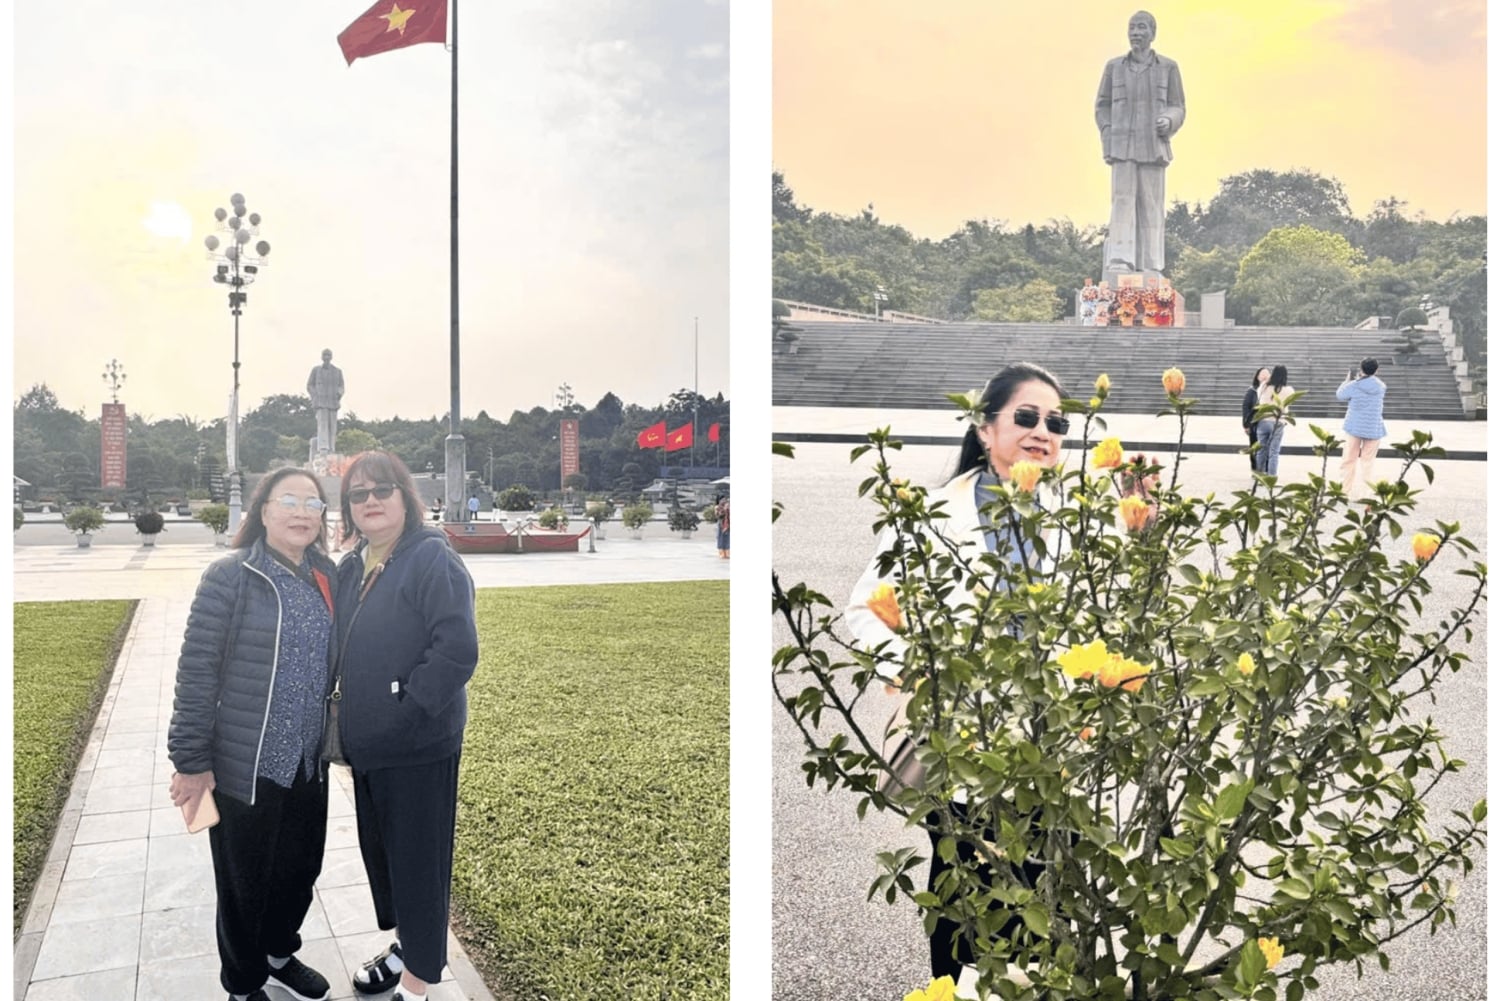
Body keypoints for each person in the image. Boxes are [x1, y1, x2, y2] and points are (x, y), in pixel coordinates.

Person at [845, 362, 1069, 981]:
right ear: (984, 426)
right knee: (962, 890)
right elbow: (863, 610)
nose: (1041, 431)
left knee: (1043, 892)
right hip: (962, 738)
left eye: (1056, 422)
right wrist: (916, 669)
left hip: (1051, 741)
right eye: (1025, 417)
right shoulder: (933, 512)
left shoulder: (1078, 514)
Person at [167, 468, 338, 1001]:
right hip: (248, 762)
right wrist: (190, 760)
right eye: (288, 500)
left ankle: (278, 953)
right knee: (244, 884)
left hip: (308, 763)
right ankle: (243, 985)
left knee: (300, 869)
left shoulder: (327, 576)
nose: (302, 512)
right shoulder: (231, 576)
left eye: (313, 503)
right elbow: (197, 670)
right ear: (263, 511)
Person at [336, 451, 479, 1001]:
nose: (370, 500)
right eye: (357, 494)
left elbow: (457, 650)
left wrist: (405, 712)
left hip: (417, 746)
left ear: (405, 496)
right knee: (390, 860)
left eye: (382, 489)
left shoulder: (430, 559)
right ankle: (408, 948)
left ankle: (416, 985)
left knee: (418, 865)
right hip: (371, 748)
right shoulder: (357, 564)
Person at [1094, 10, 1186, 276]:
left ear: (1152, 33)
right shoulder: (1114, 67)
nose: (1136, 33)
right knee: (1122, 200)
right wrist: (1108, 132)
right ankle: (1120, 259)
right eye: (1132, 27)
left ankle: (1151, 263)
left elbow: (1178, 106)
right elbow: (1101, 106)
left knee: (1151, 203)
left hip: (1153, 145)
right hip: (1122, 146)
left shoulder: (1168, 67)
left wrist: (1169, 120)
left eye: (1141, 28)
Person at [1336, 357, 1387, 499]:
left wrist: (1347, 380)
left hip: (1354, 427)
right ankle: (1367, 494)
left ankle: (1344, 491)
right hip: (1374, 428)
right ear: (1377, 370)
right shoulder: (1381, 386)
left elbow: (1340, 395)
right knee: (1368, 462)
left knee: (1348, 460)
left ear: (1361, 369)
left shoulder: (1354, 385)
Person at [1254, 365, 1294, 475]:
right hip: (1278, 422)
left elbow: (1258, 397)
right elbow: (1289, 403)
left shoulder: (1263, 387)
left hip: (1263, 421)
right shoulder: (1289, 390)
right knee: (1274, 452)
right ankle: (1271, 477)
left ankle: (1259, 476)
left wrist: (1267, 380)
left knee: (1261, 450)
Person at [307, 349, 345, 455]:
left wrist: (339, 393)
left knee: (332, 426)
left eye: (328, 355)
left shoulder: (337, 371)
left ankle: (332, 447)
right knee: (322, 424)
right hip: (320, 402)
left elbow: (341, 385)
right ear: (321, 357)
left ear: (331, 357)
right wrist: (315, 395)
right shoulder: (316, 370)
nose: (327, 357)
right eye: (325, 355)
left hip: (333, 402)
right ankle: (323, 447)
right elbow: (310, 385)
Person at [1242, 368, 1269, 471]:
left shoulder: (1270, 390)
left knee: (1266, 446)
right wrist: (1246, 424)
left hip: (1266, 423)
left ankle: (1265, 468)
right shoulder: (1252, 390)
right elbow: (1245, 407)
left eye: (1267, 374)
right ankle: (1255, 468)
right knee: (1254, 446)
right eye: (1262, 374)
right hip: (1254, 423)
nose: (1265, 376)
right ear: (1257, 377)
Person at [714, 494, 730, 558]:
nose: (724, 500)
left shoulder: (728, 506)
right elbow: (718, 516)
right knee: (721, 538)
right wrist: (724, 509)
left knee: (727, 539)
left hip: (727, 525)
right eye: (722, 499)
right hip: (721, 525)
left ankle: (727, 553)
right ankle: (721, 553)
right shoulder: (717, 507)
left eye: (725, 499)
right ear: (719, 500)